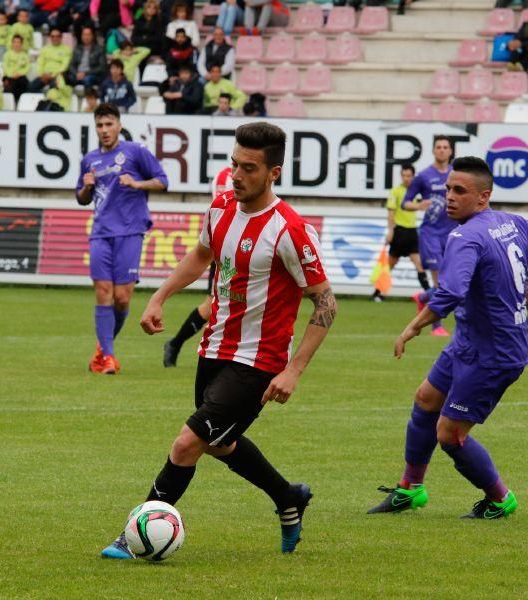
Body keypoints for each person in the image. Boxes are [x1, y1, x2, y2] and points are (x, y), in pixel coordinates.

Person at [101, 121, 337, 560]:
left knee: (186, 444)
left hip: (259, 360)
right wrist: (160, 296)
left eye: (249, 167)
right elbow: (201, 254)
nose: (237, 174)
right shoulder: (222, 205)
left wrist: (294, 368)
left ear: (273, 173)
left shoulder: (290, 230)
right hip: (213, 348)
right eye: (234, 164)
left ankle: (135, 535)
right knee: (219, 443)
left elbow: (325, 303)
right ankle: (288, 497)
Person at [367, 156, 528, 520]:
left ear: (483, 197)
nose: (450, 198)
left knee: (450, 435)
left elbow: (451, 292)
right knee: (426, 398)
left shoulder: (464, 235)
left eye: (460, 191)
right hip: (469, 342)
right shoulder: (513, 222)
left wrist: (413, 326)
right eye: (447, 190)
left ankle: (499, 499)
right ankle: (410, 489)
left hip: (495, 354)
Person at [75, 103, 169, 375]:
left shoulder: (135, 152)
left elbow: (163, 181)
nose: (104, 130)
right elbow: (81, 198)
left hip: (130, 230)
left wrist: (137, 184)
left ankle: (102, 351)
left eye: (109, 124)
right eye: (100, 126)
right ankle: (107, 357)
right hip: (101, 231)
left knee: (123, 299)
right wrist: (86, 187)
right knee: (103, 292)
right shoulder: (90, 159)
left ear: (119, 125)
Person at [162, 165, 232, 368]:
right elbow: (222, 210)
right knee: (213, 306)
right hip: (223, 250)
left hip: (242, 250)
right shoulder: (225, 176)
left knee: (214, 307)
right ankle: (177, 345)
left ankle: (176, 345)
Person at [403, 135, 454, 337]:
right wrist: (418, 205)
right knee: (441, 283)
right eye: (438, 147)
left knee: (452, 282)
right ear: (433, 151)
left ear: (450, 151)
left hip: (451, 233)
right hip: (430, 233)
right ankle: (436, 326)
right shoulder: (423, 176)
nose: (441, 150)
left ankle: (423, 297)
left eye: (445, 147)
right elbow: (405, 203)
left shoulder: (456, 174)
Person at [372, 164, 429, 302]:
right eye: (404, 175)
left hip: (411, 232)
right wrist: (390, 231)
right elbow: (391, 213)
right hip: (399, 232)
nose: (406, 178)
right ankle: (377, 293)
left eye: (409, 176)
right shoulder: (395, 191)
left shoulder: (415, 192)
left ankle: (429, 294)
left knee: (419, 264)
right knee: (390, 264)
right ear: (401, 176)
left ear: (413, 176)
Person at [30, 27, 72, 93]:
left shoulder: (66, 50)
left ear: (61, 37)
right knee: (31, 87)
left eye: (57, 36)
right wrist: (42, 74)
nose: (55, 38)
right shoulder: (45, 49)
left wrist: (52, 75)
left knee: (53, 89)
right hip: (44, 75)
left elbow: (64, 66)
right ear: (50, 37)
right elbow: (40, 63)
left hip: (58, 76)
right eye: (52, 36)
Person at [2, 35, 32, 101]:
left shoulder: (25, 55)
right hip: (9, 76)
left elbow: (27, 67)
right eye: (15, 42)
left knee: (28, 86)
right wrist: (11, 74)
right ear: (12, 43)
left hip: (20, 76)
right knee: (10, 85)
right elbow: (5, 67)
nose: (16, 44)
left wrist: (19, 73)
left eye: (18, 42)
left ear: (21, 44)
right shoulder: (7, 54)